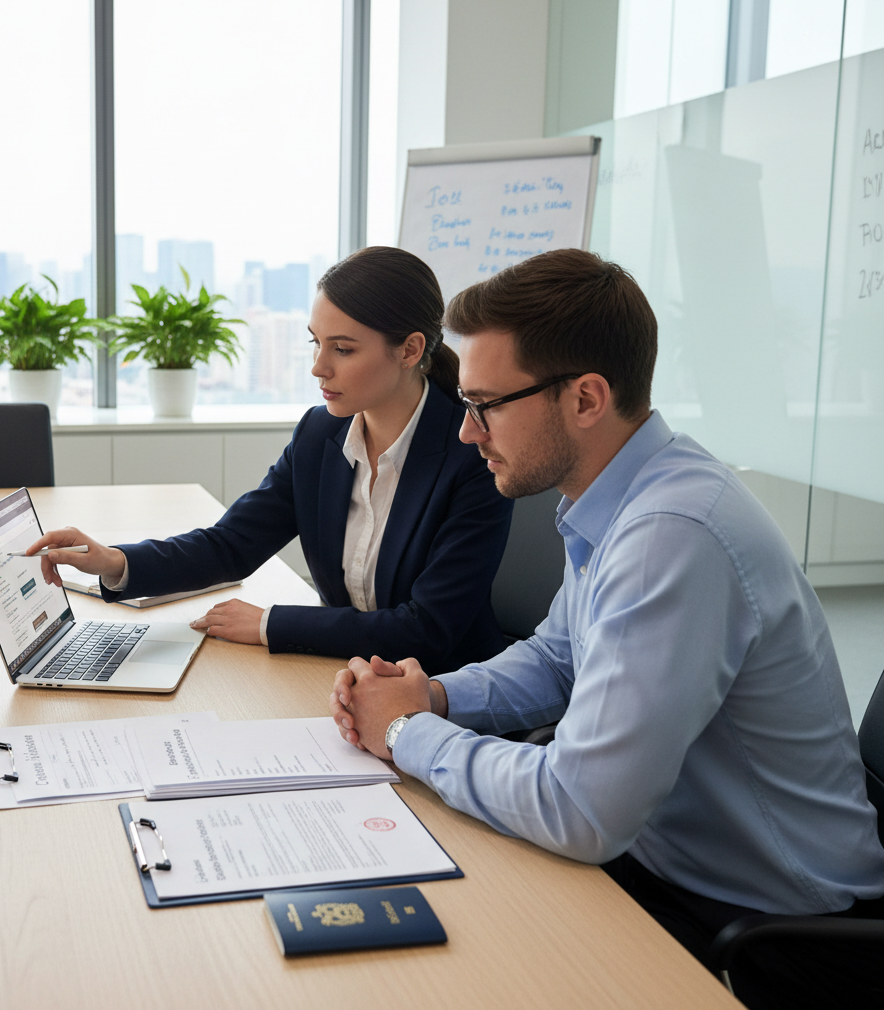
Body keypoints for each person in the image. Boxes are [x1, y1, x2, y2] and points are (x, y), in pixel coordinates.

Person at [330, 248, 884, 1008]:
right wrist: (429, 698)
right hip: (665, 862)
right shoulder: (618, 496)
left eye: (485, 405)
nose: (466, 433)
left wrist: (403, 735)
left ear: (586, 399)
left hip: (769, 930)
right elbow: (558, 660)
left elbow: (581, 810)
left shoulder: (673, 533)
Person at [29, 246, 513, 673]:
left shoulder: (472, 453)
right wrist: (114, 561)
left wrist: (269, 624)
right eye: (316, 343)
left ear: (410, 350)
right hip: (343, 677)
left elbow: (427, 630)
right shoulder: (320, 434)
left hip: (448, 692)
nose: (318, 367)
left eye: (342, 349)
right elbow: (233, 543)